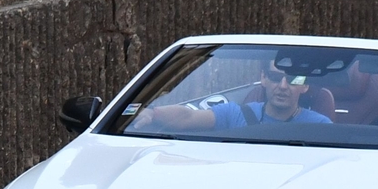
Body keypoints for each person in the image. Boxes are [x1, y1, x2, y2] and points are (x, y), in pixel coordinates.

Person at [137, 65, 333, 132]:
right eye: (274, 77)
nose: (282, 86)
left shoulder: (320, 127)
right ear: (263, 78)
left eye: (292, 80)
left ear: (305, 85)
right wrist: (151, 112)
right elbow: (187, 117)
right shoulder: (234, 113)